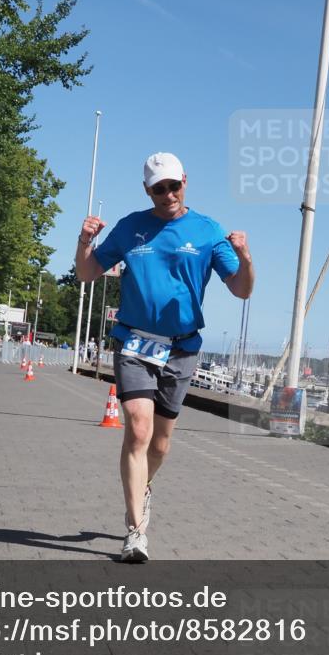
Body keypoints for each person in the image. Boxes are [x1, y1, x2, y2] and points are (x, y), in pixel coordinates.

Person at [75, 152, 254, 562]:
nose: (168, 194)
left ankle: (141, 490)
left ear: (185, 182)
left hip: (181, 348)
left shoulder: (208, 231)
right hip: (135, 343)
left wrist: (244, 258)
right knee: (137, 430)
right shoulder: (131, 227)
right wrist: (85, 242)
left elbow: (242, 290)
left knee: (161, 444)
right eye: (159, 188)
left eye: (174, 185)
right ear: (147, 190)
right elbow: (87, 273)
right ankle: (136, 531)